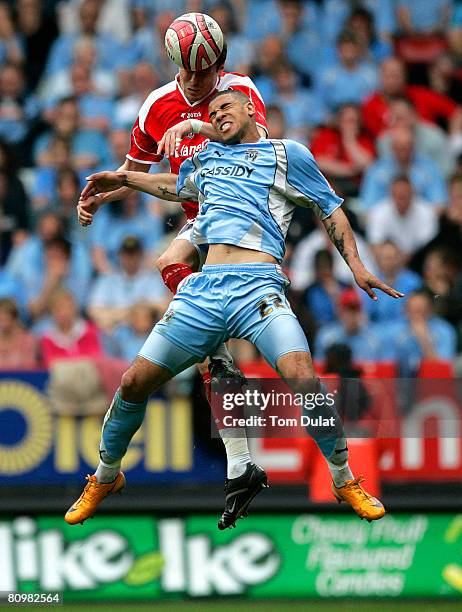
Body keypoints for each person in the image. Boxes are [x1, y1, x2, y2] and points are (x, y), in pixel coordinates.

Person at [67, 89, 404, 529]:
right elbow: (172, 186)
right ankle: (106, 477)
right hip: (203, 291)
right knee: (133, 382)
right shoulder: (205, 159)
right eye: (211, 112)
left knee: (304, 377)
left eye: (226, 107)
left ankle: (343, 478)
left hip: (258, 289)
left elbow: (332, 211)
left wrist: (357, 267)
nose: (217, 114)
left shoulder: (287, 155)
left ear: (250, 109)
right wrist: (124, 178)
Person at [77, 13, 268, 456]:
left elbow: (261, 145)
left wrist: (202, 126)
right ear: (174, 63)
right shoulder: (157, 106)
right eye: (191, 70)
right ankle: (217, 359)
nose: (200, 80)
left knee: (188, 281)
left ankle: (225, 358)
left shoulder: (240, 90)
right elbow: (135, 173)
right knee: (168, 264)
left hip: (244, 211)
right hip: (198, 218)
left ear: (219, 62)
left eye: (207, 70)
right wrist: (99, 195)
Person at [366, 175, 438, 256]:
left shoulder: (427, 212)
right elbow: (375, 245)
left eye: (404, 196)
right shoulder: (379, 212)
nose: (401, 200)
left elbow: (429, 246)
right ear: (391, 195)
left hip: (418, 260)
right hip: (388, 261)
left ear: (412, 194)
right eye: (398, 195)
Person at [315, 287, 386, 362]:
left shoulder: (375, 339)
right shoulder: (326, 338)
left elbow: (384, 369)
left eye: (356, 310)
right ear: (340, 313)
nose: (352, 316)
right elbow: (319, 369)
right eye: (348, 311)